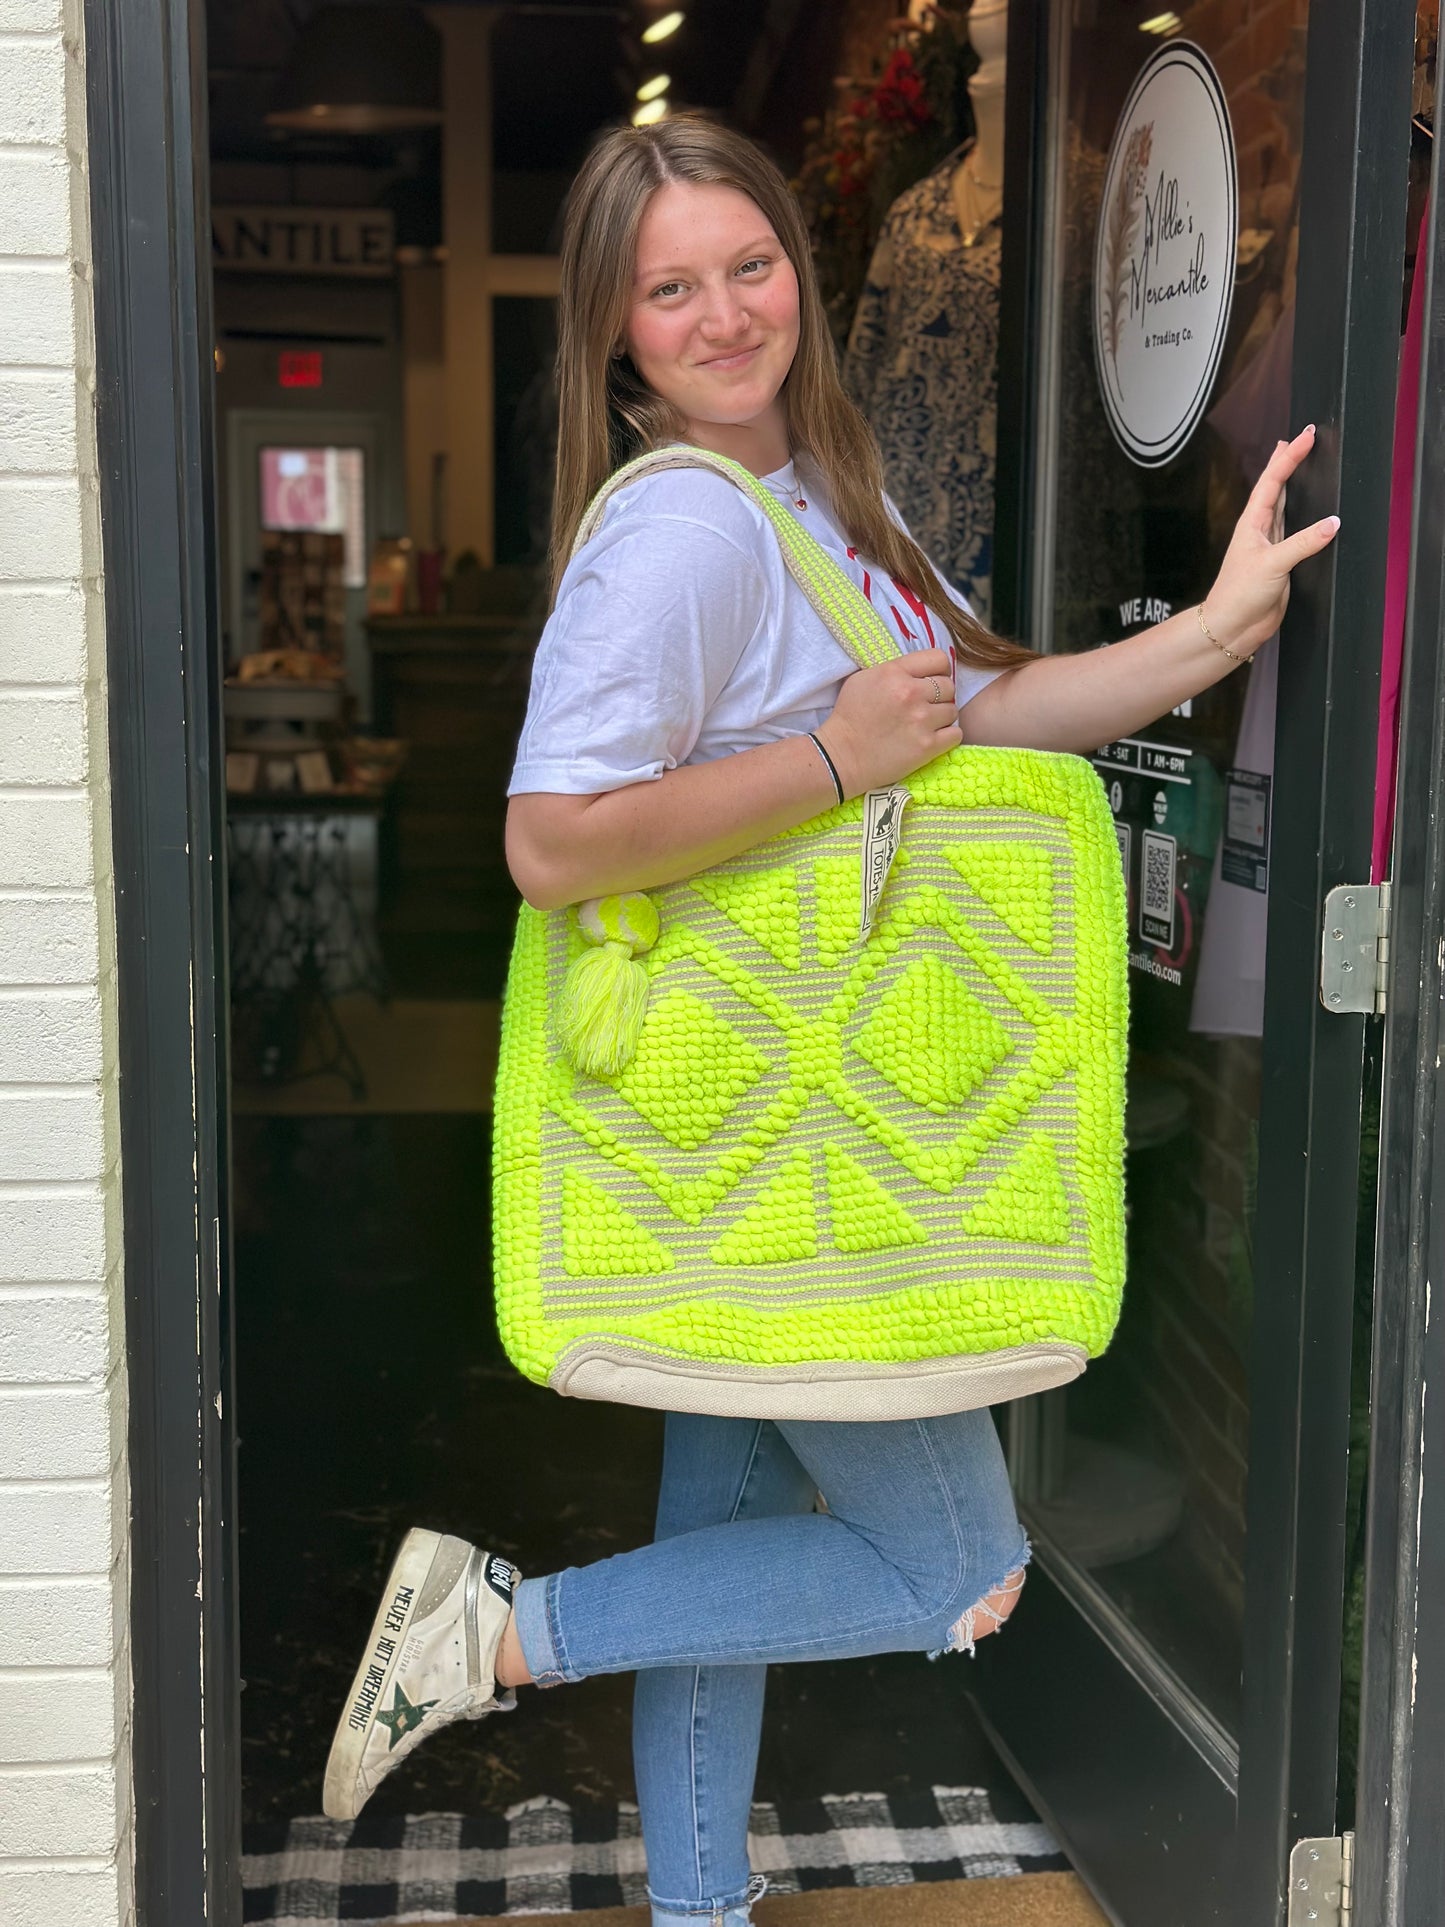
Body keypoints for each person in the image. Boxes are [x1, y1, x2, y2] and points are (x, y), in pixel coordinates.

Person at [322, 114, 1338, 1924]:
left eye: (751, 264)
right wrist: (824, 758)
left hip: (773, 1138)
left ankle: (698, 1905)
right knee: (951, 1569)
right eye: (670, 288)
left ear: (800, 265)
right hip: (806, 1131)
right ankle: (497, 1634)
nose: (723, 314)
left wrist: (1219, 626)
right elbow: (549, 844)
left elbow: (1004, 708)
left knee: (721, 1532)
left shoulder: (815, 505)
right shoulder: (685, 538)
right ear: (615, 332)